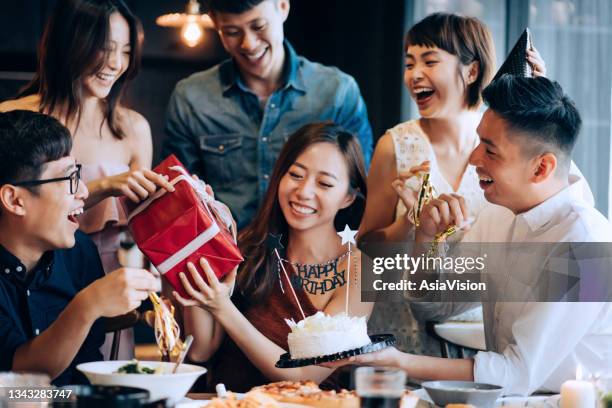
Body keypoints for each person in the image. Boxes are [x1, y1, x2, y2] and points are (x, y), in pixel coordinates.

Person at [327, 76, 612, 396]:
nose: (474, 158)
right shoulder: (500, 213)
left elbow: (517, 372)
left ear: (541, 168)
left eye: (490, 151)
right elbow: (435, 306)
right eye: (478, 143)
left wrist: (398, 362)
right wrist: (427, 240)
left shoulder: (590, 246)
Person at [357, 13, 588, 356]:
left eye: (430, 60)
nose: (415, 74)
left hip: (488, 338)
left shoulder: (521, 156)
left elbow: (571, 210)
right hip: (407, 326)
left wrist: (538, 115)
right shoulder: (397, 145)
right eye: (409, 63)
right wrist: (411, 225)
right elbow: (367, 247)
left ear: (471, 71)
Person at [0, 0, 174, 359]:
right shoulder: (13, 118)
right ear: (69, 43)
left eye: (125, 51)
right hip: (23, 277)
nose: (115, 64)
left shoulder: (133, 128)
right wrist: (106, 186)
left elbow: (146, 227)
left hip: (101, 274)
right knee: (26, 380)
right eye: (104, 49)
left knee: (96, 377)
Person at [173, 122, 373, 392]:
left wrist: (223, 308)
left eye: (324, 183)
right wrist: (199, 238)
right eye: (296, 175)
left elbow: (305, 376)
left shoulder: (362, 271)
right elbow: (200, 350)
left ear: (349, 197)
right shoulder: (249, 244)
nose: (304, 192)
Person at [163, 0, 373, 230]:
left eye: (259, 26)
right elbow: (177, 199)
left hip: (315, 260)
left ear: (282, 6)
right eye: (232, 32)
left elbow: (359, 189)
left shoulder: (337, 93)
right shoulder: (191, 98)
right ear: (214, 22)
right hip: (228, 258)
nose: (249, 44)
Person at [0, 110, 159, 386]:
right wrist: (87, 305)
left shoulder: (79, 252)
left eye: (79, 174)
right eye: (69, 179)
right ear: (15, 200)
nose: (84, 191)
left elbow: (85, 371)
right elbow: (16, 389)